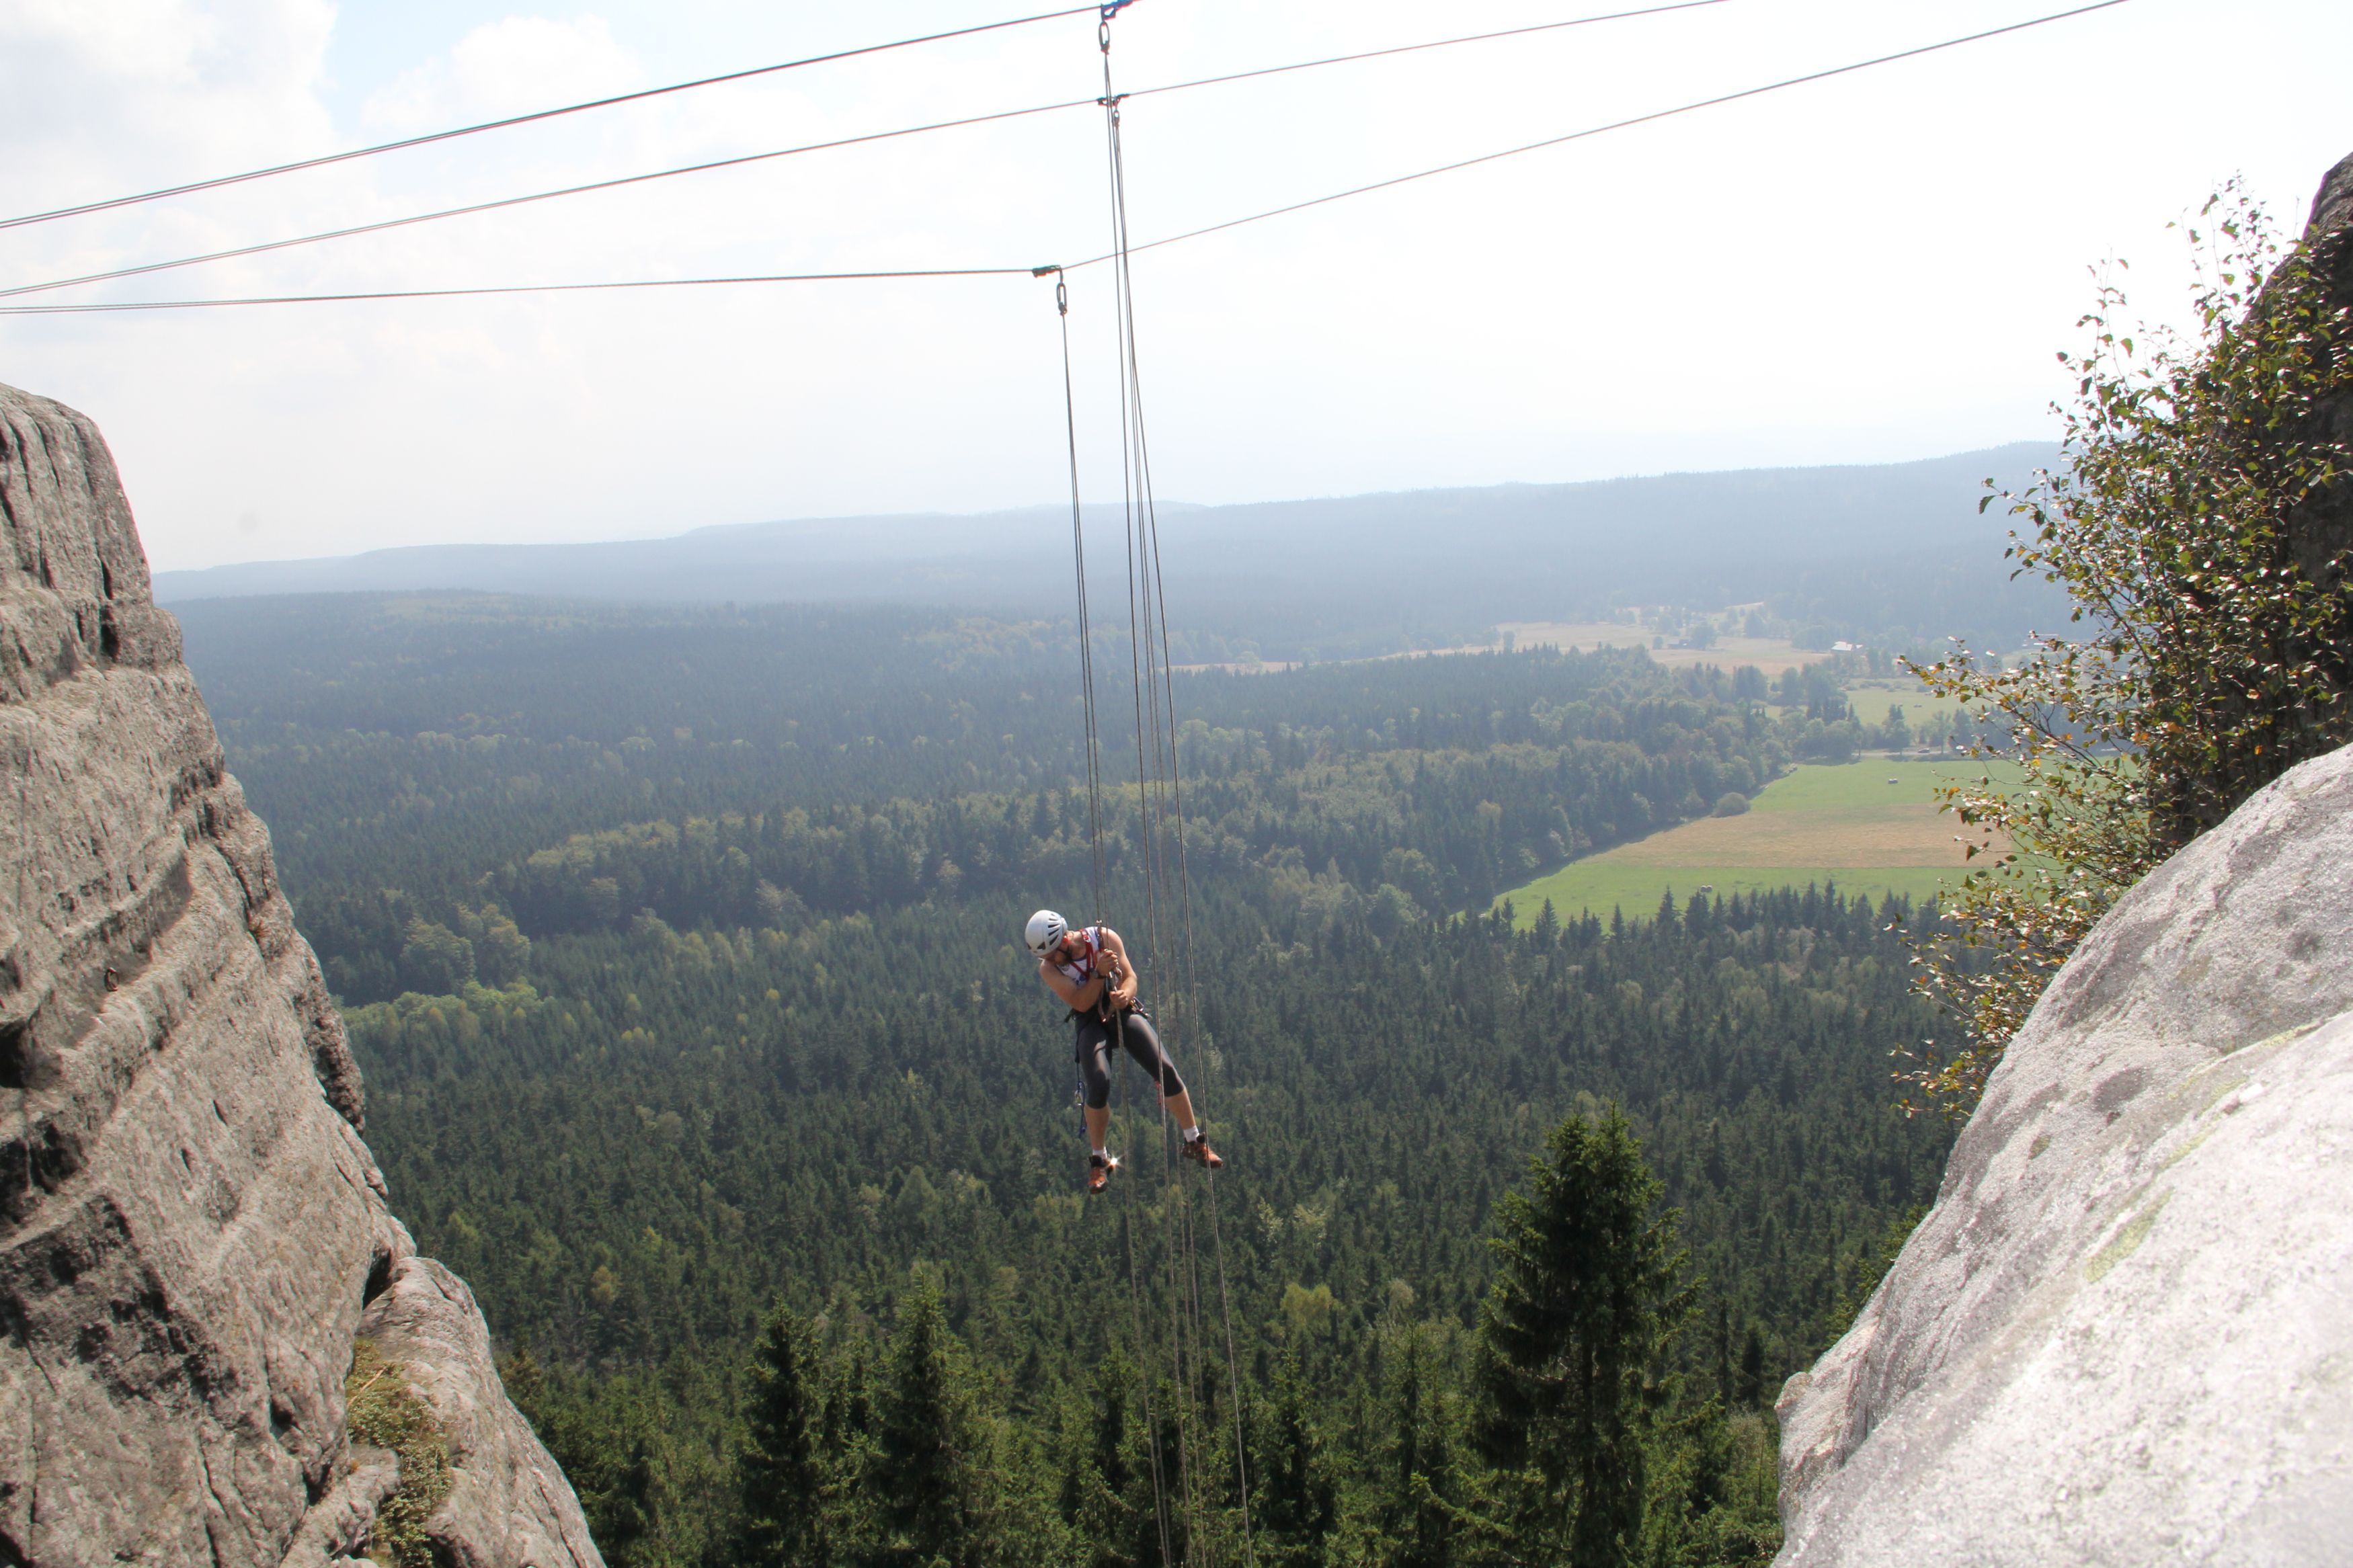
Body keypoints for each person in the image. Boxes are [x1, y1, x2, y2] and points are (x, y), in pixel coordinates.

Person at [1026, 908, 1222, 1192]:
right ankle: (1099, 1159)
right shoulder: (1048, 969)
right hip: (1090, 1021)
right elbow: (1081, 1003)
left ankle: (1194, 1140)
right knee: (1099, 1083)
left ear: (1065, 940)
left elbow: (1130, 977)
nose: (1051, 960)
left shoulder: (1104, 938)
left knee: (1165, 1068)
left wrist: (1125, 995)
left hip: (1122, 1011)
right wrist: (1098, 974)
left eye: (1053, 954)